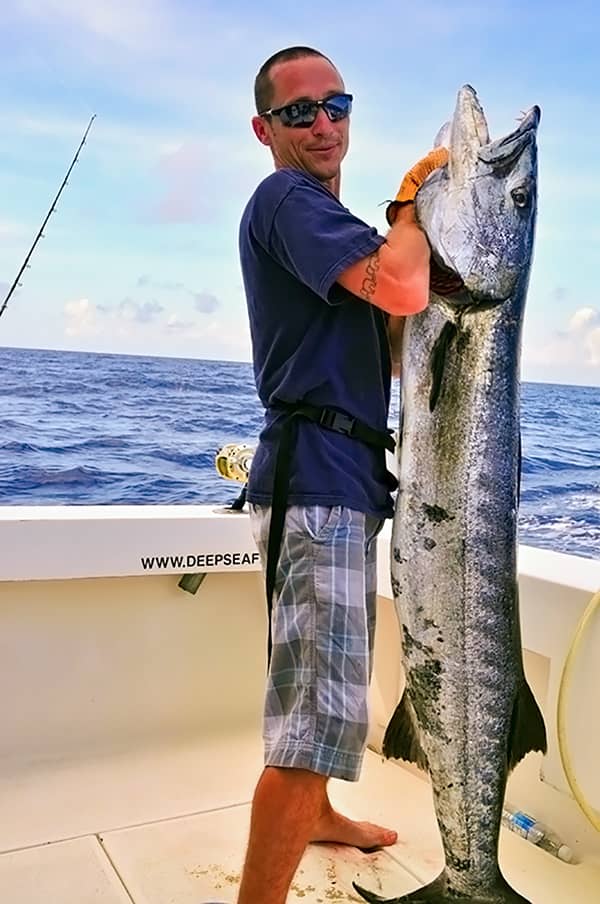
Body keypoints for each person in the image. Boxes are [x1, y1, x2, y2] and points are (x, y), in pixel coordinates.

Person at [235, 46, 448, 904]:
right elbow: (401, 288)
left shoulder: (332, 226)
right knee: (312, 724)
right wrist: (412, 208)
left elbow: (394, 338)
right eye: (299, 113)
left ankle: (319, 813)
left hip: (338, 481)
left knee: (326, 696)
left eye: (336, 105)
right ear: (266, 129)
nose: (324, 124)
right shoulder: (286, 198)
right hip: (318, 482)